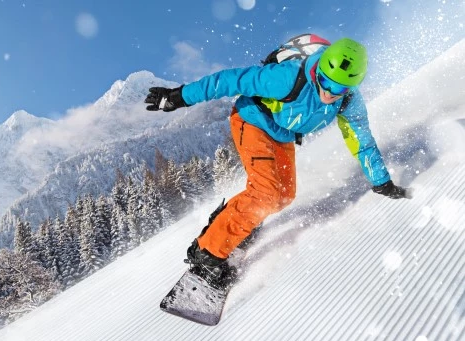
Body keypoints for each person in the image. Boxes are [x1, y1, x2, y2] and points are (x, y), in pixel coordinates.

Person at [143, 37, 411, 291]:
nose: (329, 92)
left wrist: (381, 181)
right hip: (252, 120)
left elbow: (361, 141)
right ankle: (207, 254)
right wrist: (180, 97)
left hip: (282, 135)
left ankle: (228, 221)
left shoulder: (350, 103)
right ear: (318, 70)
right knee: (266, 193)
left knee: (283, 196)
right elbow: (231, 80)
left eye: (338, 88)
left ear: (351, 87)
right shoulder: (288, 78)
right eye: (325, 81)